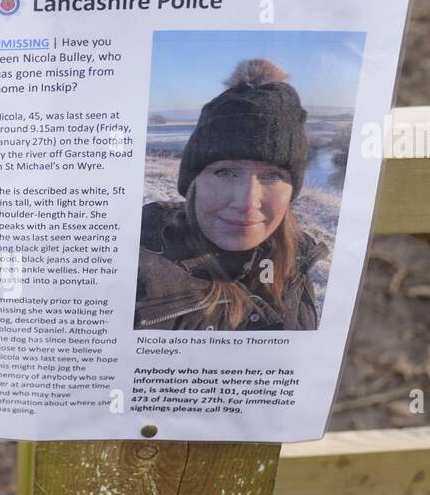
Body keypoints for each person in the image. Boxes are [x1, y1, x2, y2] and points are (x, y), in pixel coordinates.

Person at [136, 58, 329, 332]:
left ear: (292, 190)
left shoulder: (295, 258)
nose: (246, 203)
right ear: (194, 182)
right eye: (225, 172)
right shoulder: (144, 267)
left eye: (271, 176)